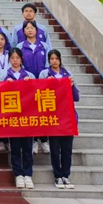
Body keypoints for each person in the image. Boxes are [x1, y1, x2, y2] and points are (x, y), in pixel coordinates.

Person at [39, 49, 79, 190]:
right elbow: (40, 96)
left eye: (56, 58)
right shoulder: (45, 74)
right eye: (51, 59)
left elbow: (76, 97)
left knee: (67, 149)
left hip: (67, 117)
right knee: (55, 149)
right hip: (53, 118)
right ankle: (57, 175)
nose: (54, 61)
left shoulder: (67, 74)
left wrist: (72, 86)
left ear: (60, 60)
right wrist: (46, 84)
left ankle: (65, 176)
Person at [4, 47, 36, 189]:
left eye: (17, 58)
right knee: (15, 148)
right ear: (9, 60)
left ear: (21, 59)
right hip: (13, 118)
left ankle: (28, 174)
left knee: (27, 147)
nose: (15, 61)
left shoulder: (29, 75)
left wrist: (31, 85)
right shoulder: (5, 75)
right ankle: (18, 174)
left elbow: (36, 96)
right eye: (12, 58)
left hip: (27, 118)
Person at [19, 20, 52, 155]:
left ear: (37, 31)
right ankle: (33, 141)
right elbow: (18, 65)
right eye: (27, 28)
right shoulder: (20, 46)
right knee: (30, 112)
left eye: (32, 28)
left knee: (42, 112)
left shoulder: (44, 46)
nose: (30, 30)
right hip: (28, 84)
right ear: (24, 31)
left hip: (43, 84)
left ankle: (43, 140)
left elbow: (49, 63)